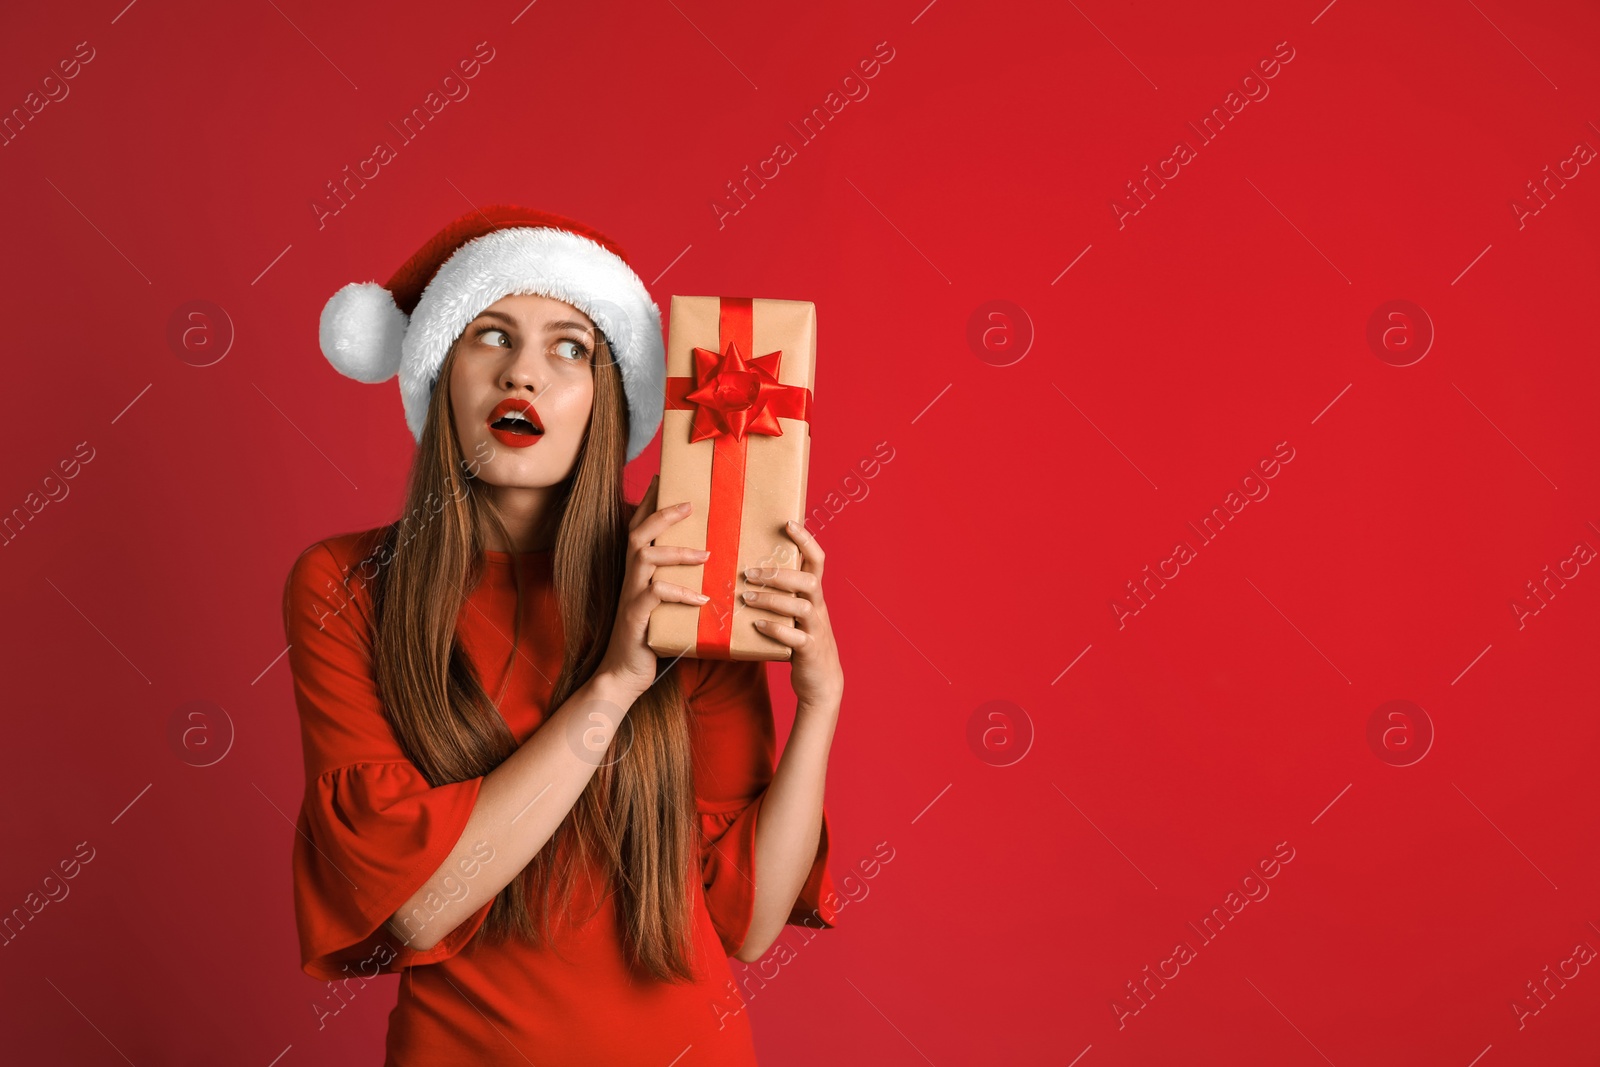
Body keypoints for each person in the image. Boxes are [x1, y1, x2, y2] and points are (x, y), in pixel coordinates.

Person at [281, 205, 843, 1065]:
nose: (525, 376)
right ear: (439, 372)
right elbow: (423, 904)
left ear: (606, 397)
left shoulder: (677, 572)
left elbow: (751, 923)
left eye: (569, 347)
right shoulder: (346, 587)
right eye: (491, 335)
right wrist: (617, 682)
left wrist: (820, 704)